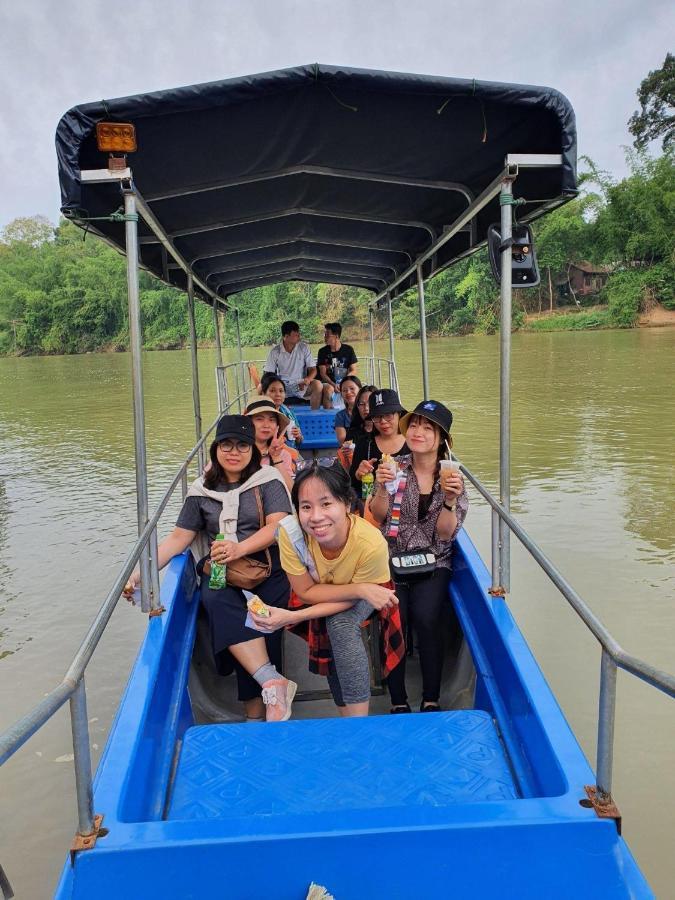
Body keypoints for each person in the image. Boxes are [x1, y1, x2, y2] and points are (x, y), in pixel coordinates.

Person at [123, 415, 296, 722]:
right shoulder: (201, 490)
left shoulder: (267, 480)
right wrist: (143, 573)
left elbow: (278, 526)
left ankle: (260, 713)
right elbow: (179, 539)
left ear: (252, 450)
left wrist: (239, 547)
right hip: (224, 574)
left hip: (268, 569)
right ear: (216, 449)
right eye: (226, 444)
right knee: (218, 601)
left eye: (242, 445)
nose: (234, 451)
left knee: (258, 623)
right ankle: (270, 686)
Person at [250, 464, 402, 717]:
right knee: (331, 624)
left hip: (372, 588)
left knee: (339, 624)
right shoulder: (290, 533)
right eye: (306, 507)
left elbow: (360, 594)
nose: (316, 517)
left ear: (346, 504)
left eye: (326, 504)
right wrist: (359, 588)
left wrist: (293, 617)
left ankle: (358, 721)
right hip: (329, 588)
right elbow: (306, 592)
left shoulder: (371, 543)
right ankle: (346, 714)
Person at [368, 400, 469, 713]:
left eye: (428, 428)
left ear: (441, 439)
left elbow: (444, 534)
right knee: (394, 619)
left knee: (427, 618)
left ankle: (431, 697)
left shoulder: (452, 476)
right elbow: (378, 514)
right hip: (394, 557)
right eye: (413, 425)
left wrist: (450, 500)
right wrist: (382, 487)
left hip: (434, 561)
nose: (418, 432)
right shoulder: (393, 467)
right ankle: (398, 700)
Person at [349, 388, 409, 496]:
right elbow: (353, 484)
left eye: (388, 415)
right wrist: (358, 474)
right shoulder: (365, 443)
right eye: (377, 417)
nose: (383, 422)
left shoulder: (412, 443)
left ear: (399, 414)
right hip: (374, 506)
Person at [261, 320, 325, 410]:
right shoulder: (275, 351)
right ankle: (273, 414)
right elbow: (268, 374)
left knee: (318, 385)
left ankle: (314, 413)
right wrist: (277, 385)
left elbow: (313, 369)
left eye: (298, 334)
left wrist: (308, 379)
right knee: (261, 388)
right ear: (286, 337)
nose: (299, 337)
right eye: (296, 335)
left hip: (300, 384)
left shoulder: (304, 348)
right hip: (282, 385)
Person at [244, 399, 295, 492]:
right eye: (259, 419)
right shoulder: (235, 452)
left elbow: (292, 492)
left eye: (271, 420)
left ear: (277, 426)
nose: (266, 425)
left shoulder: (283, 455)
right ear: (248, 422)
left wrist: (276, 458)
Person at [317, 322, 359, 407]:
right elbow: (323, 373)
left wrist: (343, 383)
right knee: (328, 389)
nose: (325, 337)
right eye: (324, 334)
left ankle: (353, 412)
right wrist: (333, 384)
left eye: (327, 335)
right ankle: (329, 416)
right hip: (328, 382)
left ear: (336, 336)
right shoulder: (322, 351)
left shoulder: (348, 350)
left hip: (345, 381)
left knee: (354, 388)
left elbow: (354, 370)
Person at [261, 373, 303, 449]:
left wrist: (298, 436)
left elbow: (299, 442)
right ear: (264, 394)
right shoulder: (258, 415)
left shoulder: (289, 413)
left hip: (290, 454)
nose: (278, 394)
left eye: (281, 391)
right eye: (272, 391)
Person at [333, 375, 362, 446]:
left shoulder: (368, 412)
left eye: (352, 388)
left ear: (360, 390)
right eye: (344, 390)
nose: (348, 392)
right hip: (348, 452)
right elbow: (343, 440)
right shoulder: (340, 416)